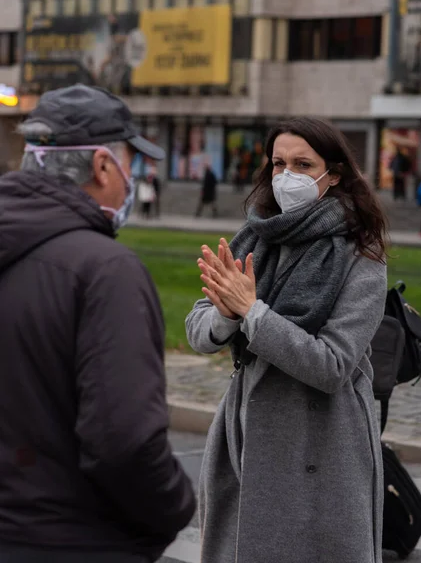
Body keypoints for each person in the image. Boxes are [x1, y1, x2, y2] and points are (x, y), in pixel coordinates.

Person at [0, 84, 195, 562]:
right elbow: (124, 442)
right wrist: (176, 507)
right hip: (72, 539)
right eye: (129, 163)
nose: (131, 179)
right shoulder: (106, 270)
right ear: (104, 166)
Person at [186, 116, 388, 563]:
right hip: (245, 432)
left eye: (302, 164)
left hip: (322, 442)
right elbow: (198, 331)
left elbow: (332, 366)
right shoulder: (256, 237)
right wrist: (223, 315)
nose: (287, 176)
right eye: (278, 164)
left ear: (333, 175)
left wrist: (252, 313)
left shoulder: (362, 256)